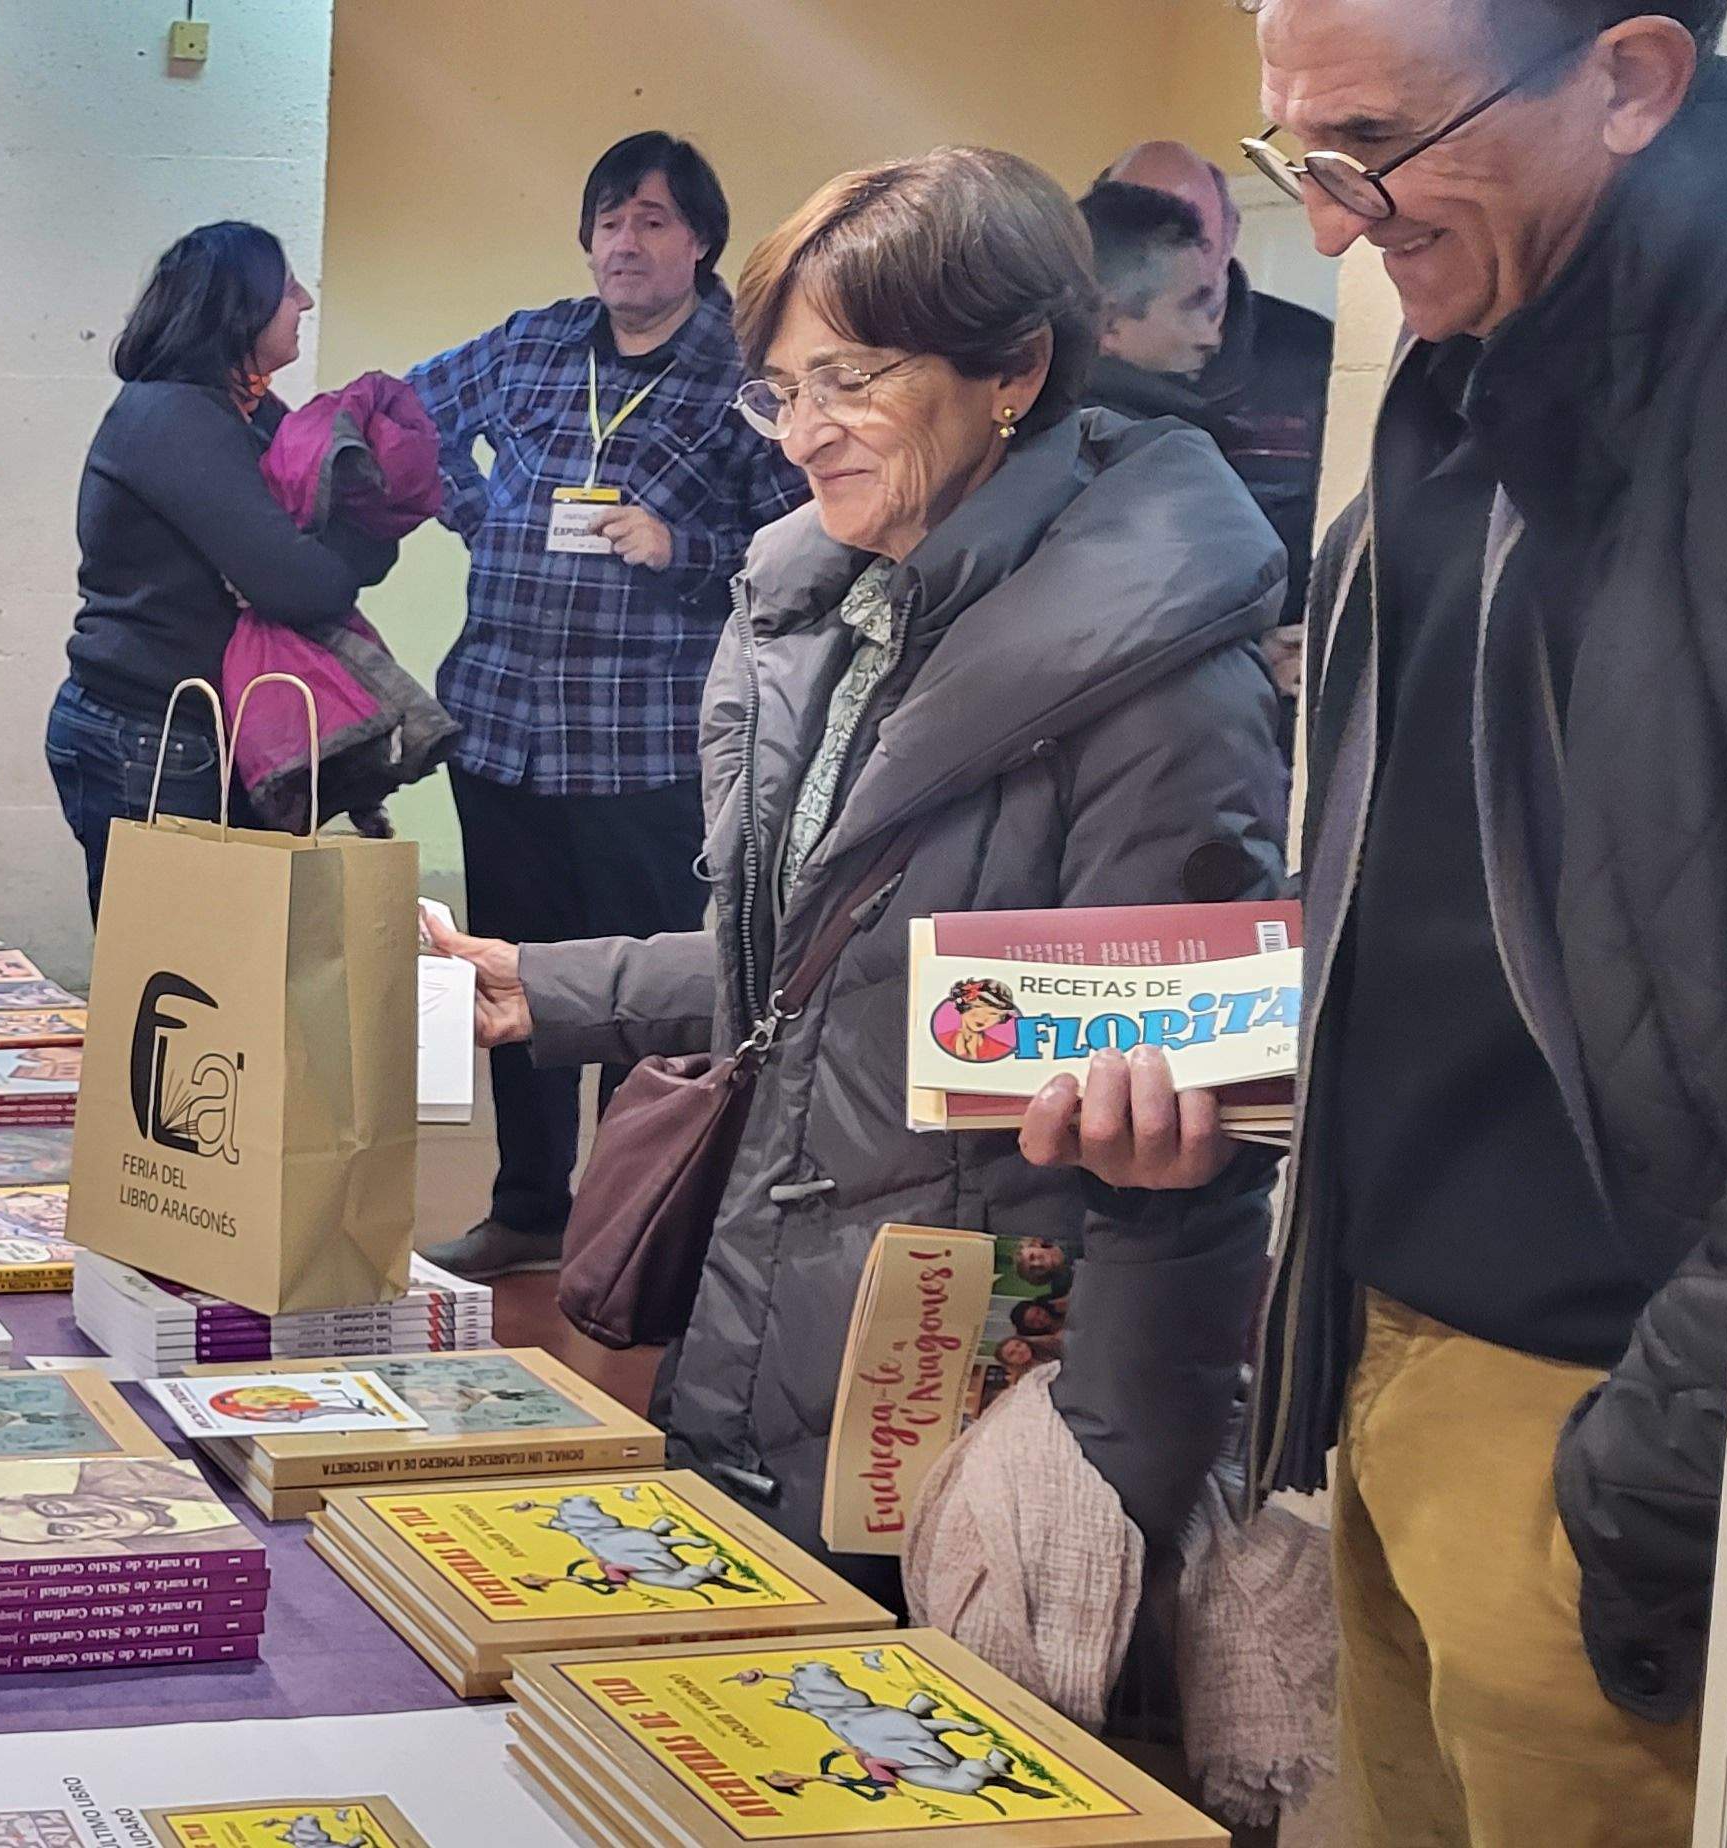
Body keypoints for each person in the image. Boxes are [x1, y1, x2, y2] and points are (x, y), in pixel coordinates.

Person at [1036, 2, 1727, 1838]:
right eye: (1300, 154)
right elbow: (1462, 876)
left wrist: (1662, 1462)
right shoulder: (1472, 353)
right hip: (1391, 1349)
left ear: (1631, 78)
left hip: (1615, 1407)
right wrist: (1227, 1076)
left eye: (1376, 143)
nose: (1336, 223)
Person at [430, 151, 1289, 1622]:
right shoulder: (834, 601)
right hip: (773, 1323)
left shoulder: (1155, 686)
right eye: (780, 390)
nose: (801, 436)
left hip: (962, 1392)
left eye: (852, 382)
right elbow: (835, 971)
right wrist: (545, 989)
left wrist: (1094, 1495)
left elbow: (1190, 1150)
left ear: (1011, 371)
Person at [402, 133, 809, 1280]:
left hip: (645, 752)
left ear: (701, 242)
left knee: (641, 1004)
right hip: (503, 730)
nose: (624, 242)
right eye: (608, 221)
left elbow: (808, 538)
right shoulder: (532, 343)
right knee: (506, 978)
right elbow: (403, 418)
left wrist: (686, 548)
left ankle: (629, 1230)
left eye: (652, 221)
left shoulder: (748, 374)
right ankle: (528, 1209)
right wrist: (470, 510)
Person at [48, 220, 399, 915]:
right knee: (174, 979)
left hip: (202, 731)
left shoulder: (252, 412)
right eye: (287, 288)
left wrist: (330, 550)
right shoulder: (174, 415)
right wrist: (316, 557)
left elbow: (367, 537)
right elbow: (298, 585)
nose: (304, 301)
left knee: (224, 977)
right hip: (151, 733)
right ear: (239, 309)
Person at [1095, 140, 1336, 632]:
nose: (1162, 255)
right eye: (1140, 233)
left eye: (1191, 235)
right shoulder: (1054, 377)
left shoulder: (1318, 355)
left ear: (1230, 234)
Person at [1078, 182, 1233, 397]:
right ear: (1108, 324)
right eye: (1190, 308)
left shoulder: (1028, 412)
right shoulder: (1170, 428)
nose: (1211, 338)